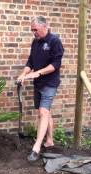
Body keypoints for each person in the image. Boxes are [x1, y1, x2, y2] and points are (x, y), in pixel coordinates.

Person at [17, 16, 64, 162]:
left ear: (45, 27)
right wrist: (24, 73)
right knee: (45, 112)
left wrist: (37, 73)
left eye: (35, 30)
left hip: (50, 83)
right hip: (38, 84)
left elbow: (56, 64)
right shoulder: (35, 42)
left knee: (43, 113)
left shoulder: (54, 41)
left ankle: (36, 147)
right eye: (32, 30)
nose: (34, 33)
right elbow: (30, 61)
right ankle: (49, 141)